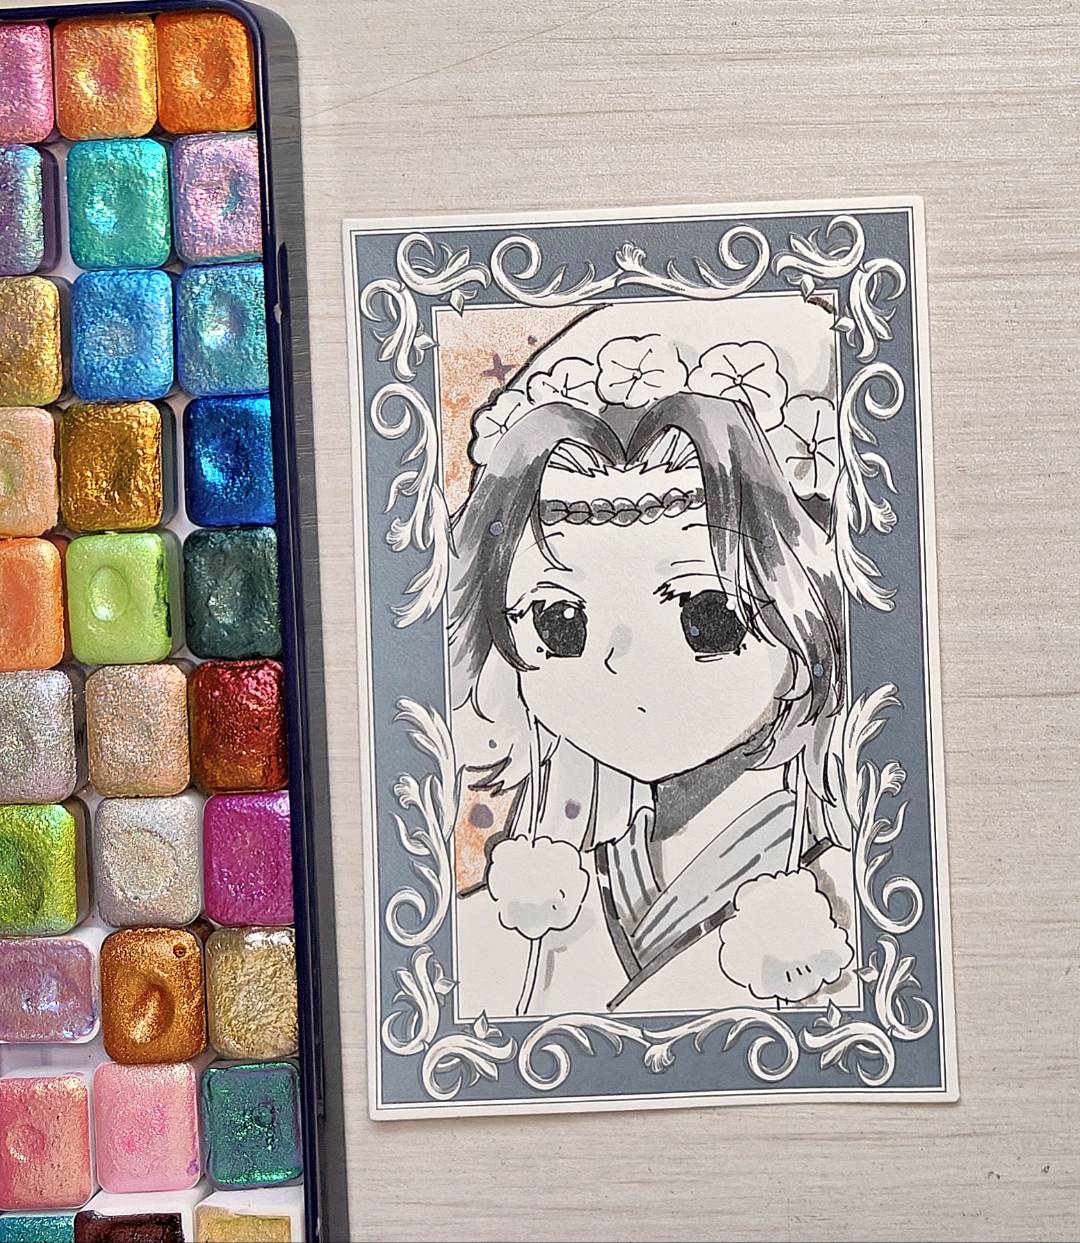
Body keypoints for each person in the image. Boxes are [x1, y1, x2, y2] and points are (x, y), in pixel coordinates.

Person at [450, 302, 855, 1018]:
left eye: (709, 615)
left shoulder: (856, 890)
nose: (617, 663)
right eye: (559, 621)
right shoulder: (517, 911)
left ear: (804, 629)